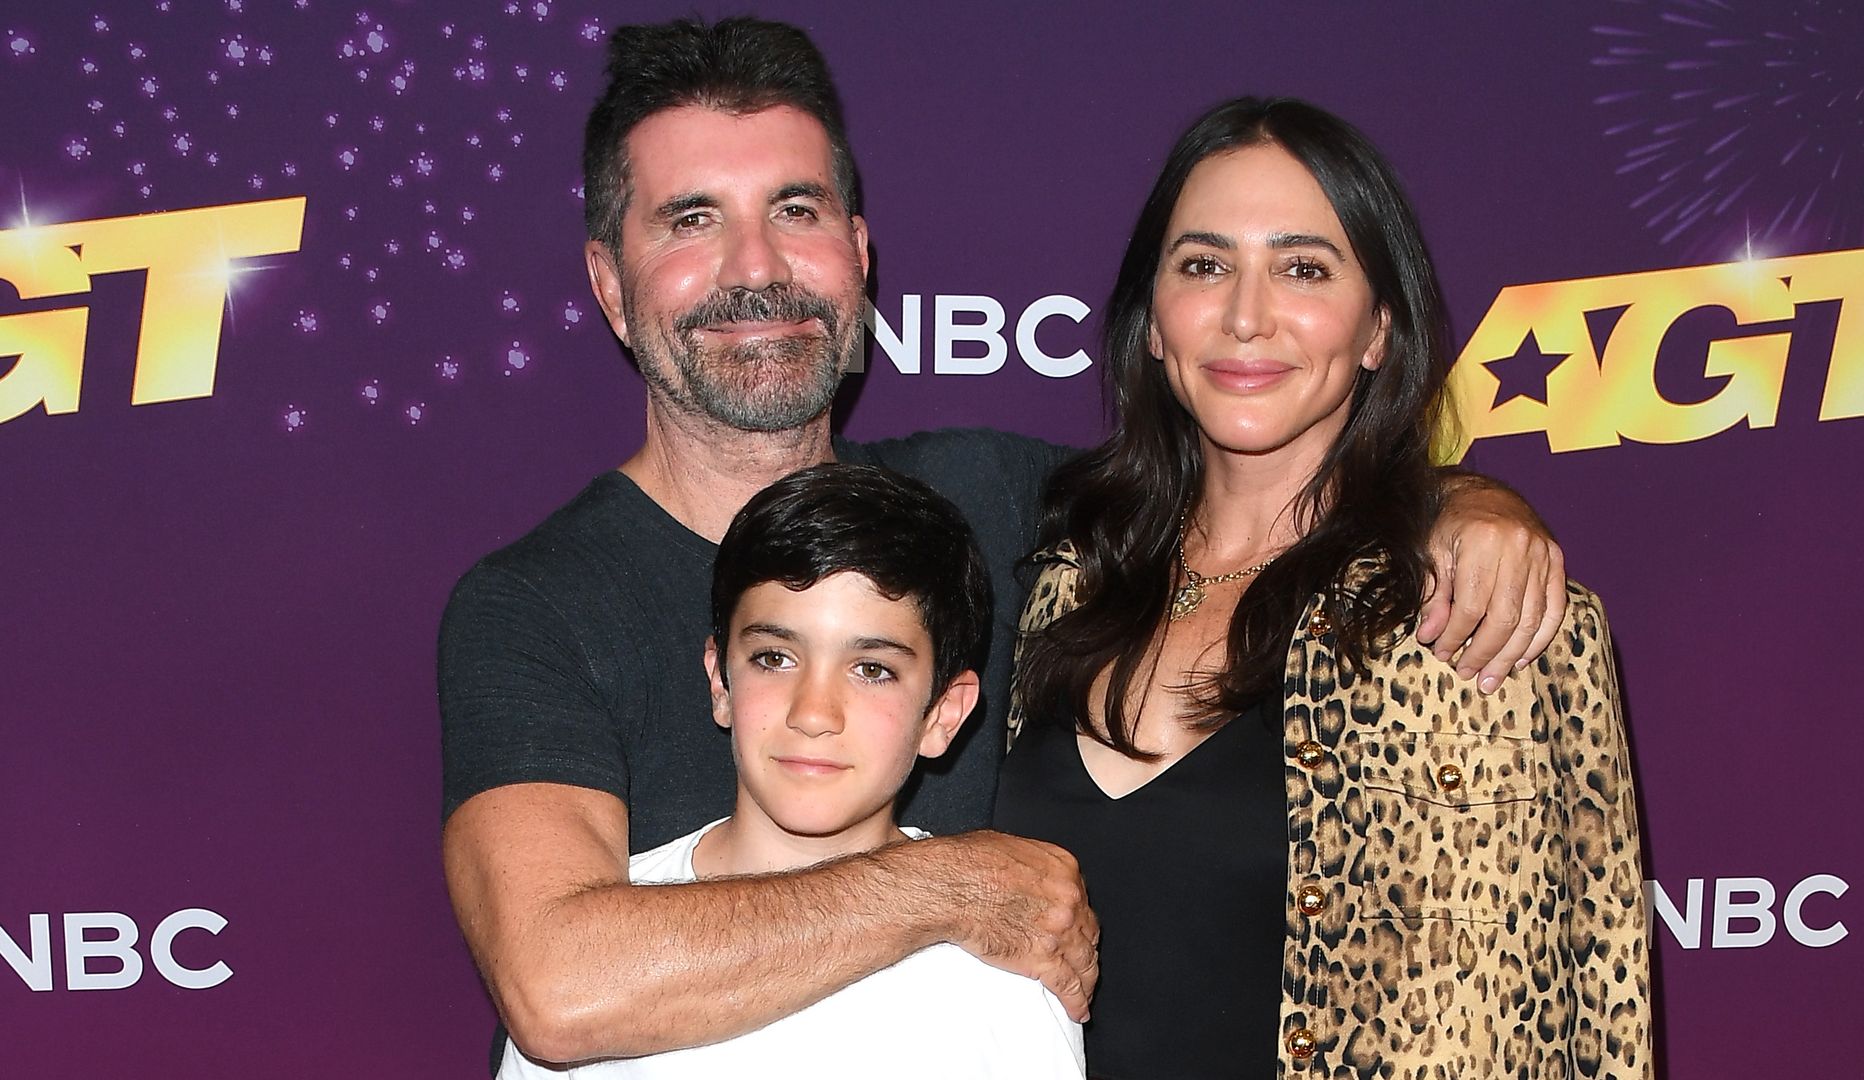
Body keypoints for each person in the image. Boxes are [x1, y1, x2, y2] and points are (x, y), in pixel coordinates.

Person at [439, 16, 1567, 1074]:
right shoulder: (537, 608)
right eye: (692, 219)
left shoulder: (994, 497)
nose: (755, 267)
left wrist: (1458, 500)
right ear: (608, 285)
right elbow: (560, 987)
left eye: (796, 210)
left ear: (859, 252)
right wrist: (945, 885)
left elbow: (1260, 483)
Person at [993, 97, 1650, 1080]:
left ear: (1379, 327)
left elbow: (1599, 1002)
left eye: (1304, 268)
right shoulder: (1056, 582)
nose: (1246, 314)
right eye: (1204, 265)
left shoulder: (1476, 613)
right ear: (1155, 326)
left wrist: (1467, 498)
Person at [496, 463, 1084, 1079]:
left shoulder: (1006, 964)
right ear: (721, 680)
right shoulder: (596, 962)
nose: (813, 713)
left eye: (873, 670)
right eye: (774, 658)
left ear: (943, 713)